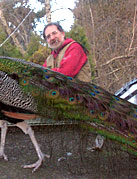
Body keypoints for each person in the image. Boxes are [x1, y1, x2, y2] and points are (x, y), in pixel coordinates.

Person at [43, 22, 104, 150]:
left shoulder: (74, 47)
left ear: (62, 33)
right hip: (64, 102)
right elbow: (41, 79)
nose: (52, 38)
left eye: (54, 33)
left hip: (83, 100)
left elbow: (66, 74)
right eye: (48, 36)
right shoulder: (49, 59)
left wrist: (45, 77)